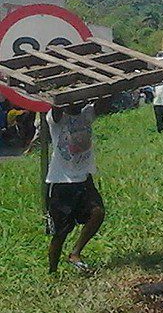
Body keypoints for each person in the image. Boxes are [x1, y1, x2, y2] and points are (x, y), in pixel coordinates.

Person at [46, 101, 106, 273]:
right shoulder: (56, 118)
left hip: (84, 179)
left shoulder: (87, 113)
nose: (79, 103)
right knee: (61, 232)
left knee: (98, 213)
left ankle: (75, 253)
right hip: (62, 182)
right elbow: (56, 104)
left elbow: (106, 101)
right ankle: (52, 271)